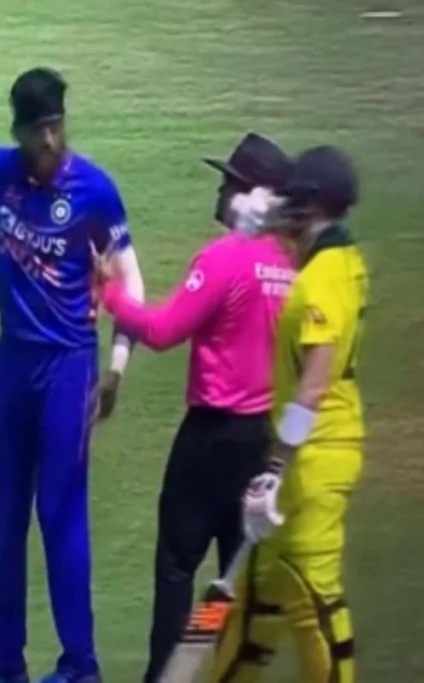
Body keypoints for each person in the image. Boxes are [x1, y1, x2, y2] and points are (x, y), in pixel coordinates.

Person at [0, 67, 146, 683]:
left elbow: (132, 281)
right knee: (6, 518)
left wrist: (116, 369)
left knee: (61, 514)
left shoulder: (94, 191)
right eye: (38, 129)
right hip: (12, 363)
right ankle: (5, 666)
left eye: (56, 126)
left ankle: (81, 666)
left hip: (69, 368)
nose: (49, 140)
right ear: (17, 131)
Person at [91, 132, 295, 683]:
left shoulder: (226, 258)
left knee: (178, 569)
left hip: (209, 442)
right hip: (262, 444)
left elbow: (162, 331)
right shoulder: (292, 267)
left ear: (251, 195)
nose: (220, 191)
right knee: (231, 580)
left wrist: (111, 294)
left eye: (229, 182)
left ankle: (166, 676)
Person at [207, 146, 367, 683]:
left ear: (314, 204)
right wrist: (263, 218)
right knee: (254, 598)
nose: (290, 210)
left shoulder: (322, 280)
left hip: (315, 461)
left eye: (297, 201)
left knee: (312, 600)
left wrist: (275, 468)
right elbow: (297, 233)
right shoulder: (340, 262)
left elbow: (314, 384)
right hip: (303, 459)